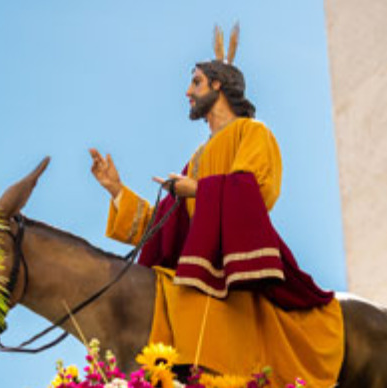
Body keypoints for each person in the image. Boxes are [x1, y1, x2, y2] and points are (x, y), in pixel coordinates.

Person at [89, 24, 332, 310]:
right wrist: (116, 189)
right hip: (198, 266)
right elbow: (162, 227)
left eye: (196, 82)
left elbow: (257, 193)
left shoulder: (251, 131)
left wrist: (197, 189)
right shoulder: (198, 157)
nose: (188, 92)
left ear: (217, 85)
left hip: (234, 266)